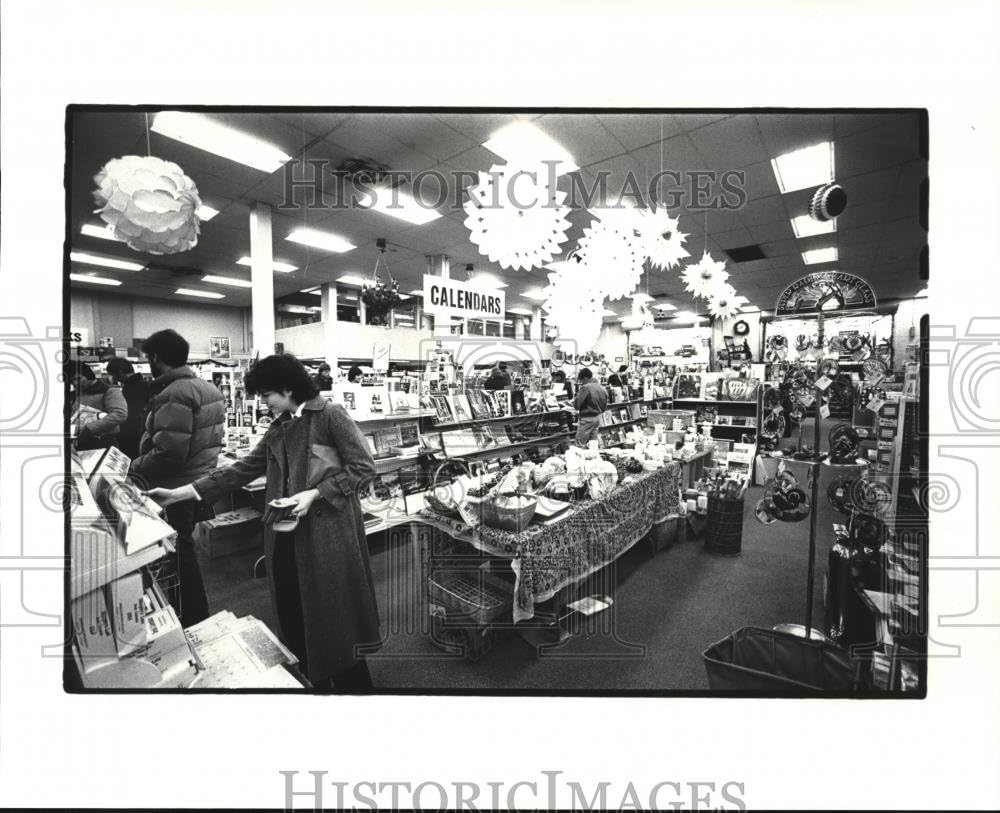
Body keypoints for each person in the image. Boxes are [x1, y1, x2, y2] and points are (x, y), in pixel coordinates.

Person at [145, 354, 380, 691]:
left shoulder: (330, 416)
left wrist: (313, 495)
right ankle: (312, 680)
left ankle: (353, 690)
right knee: (294, 612)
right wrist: (180, 493)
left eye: (267, 395)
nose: (264, 403)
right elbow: (243, 468)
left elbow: (363, 468)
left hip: (326, 538)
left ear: (288, 389)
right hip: (286, 536)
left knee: (335, 621)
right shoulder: (280, 425)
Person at [129, 329, 225, 626]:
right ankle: (192, 614)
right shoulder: (208, 388)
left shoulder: (174, 393)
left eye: (148, 358)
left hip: (174, 484)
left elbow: (169, 452)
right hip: (197, 480)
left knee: (178, 553)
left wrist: (133, 466)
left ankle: (191, 617)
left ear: (156, 358)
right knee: (183, 548)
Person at [68, 360, 127, 451]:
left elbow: (119, 414)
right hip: (80, 443)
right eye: (72, 380)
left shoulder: (110, 391)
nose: (75, 383)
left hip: (103, 442)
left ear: (89, 376)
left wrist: (89, 428)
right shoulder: (75, 394)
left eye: (78, 379)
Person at [105, 357, 150, 459]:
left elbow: (130, 416)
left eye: (113, 375)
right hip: (141, 433)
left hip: (131, 435)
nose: (113, 379)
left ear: (120, 372)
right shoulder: (142, 385)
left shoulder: (131, 389)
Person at [573, 367, 608, 447]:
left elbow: (577, 405)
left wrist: (575, 400)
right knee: (593, 444)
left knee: (580, 445)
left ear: (585, 378)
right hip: (597, 418)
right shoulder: (601, 388)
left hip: (587, 419)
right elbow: (605, 406)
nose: (581, 383)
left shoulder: (586, 387)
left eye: (581, 381)